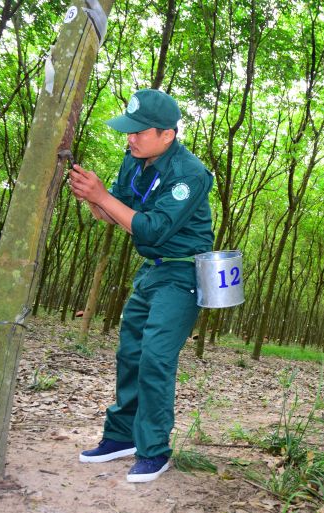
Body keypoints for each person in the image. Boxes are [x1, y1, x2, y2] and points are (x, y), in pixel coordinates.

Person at [69, 89, 214, 483]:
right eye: (128, 131)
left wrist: (102, 197)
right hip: (151, 271)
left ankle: (154, 450)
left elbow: (153, 226)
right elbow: (113, 214)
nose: (129, 139)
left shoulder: (189, 174)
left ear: (167, 134)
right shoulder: (134, 162)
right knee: (130, 353)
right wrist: (91, 196)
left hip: (182, 275)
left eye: (139, 132)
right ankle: (120, 437)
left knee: (155, 357)